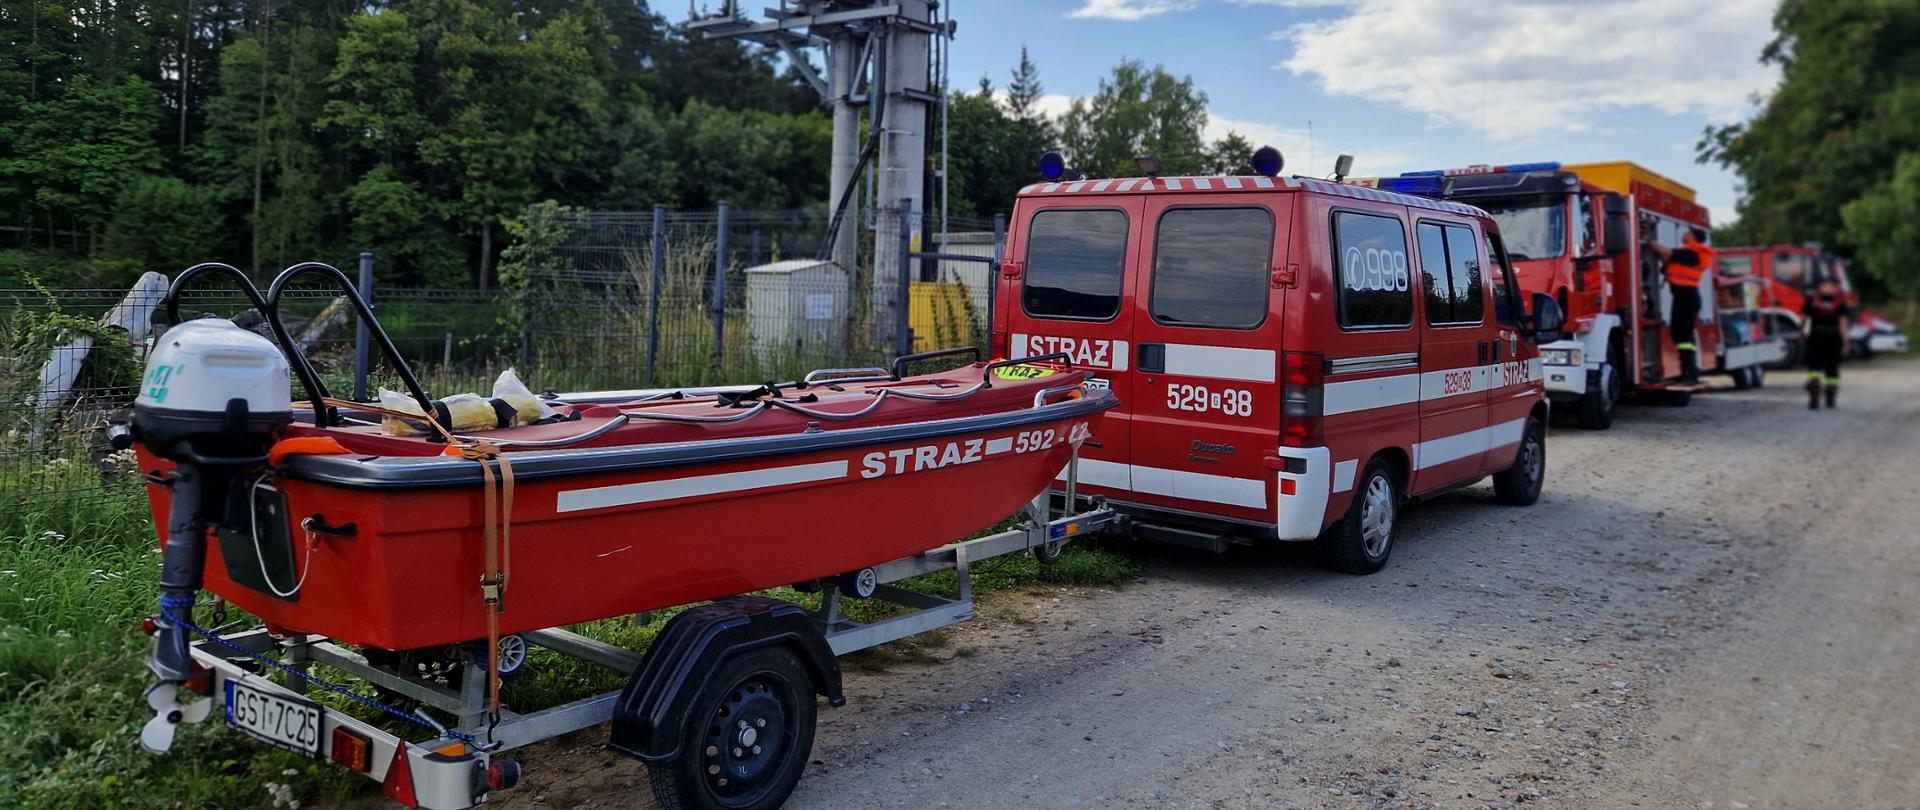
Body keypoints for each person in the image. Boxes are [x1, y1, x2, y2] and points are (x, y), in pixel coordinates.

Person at [1645, 227, 1717, 382]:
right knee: (1682, 333)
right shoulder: (1688, 254)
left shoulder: (1693, 253)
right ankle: (1690, 370)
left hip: (1687, 298)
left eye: (1688, 232)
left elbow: (1668, 253)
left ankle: (1689, 371)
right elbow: (1666, 258)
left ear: (1693, 236)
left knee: (1681, 334)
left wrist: (1648, 240)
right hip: (1685, 298)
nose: (1685, 234)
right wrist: (1653, 246)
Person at [1801, 278, 1852, 409]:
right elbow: (1843, 324)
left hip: (1816, 337)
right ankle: (1830, 396)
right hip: (1833, 339)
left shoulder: (1812, 302)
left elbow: (1804, 319)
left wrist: (1800, 333)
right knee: (1832, 368)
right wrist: (1845, 341)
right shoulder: (1840, 304)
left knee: (1814, 366)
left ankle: (1814, 386)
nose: (1830, 289)